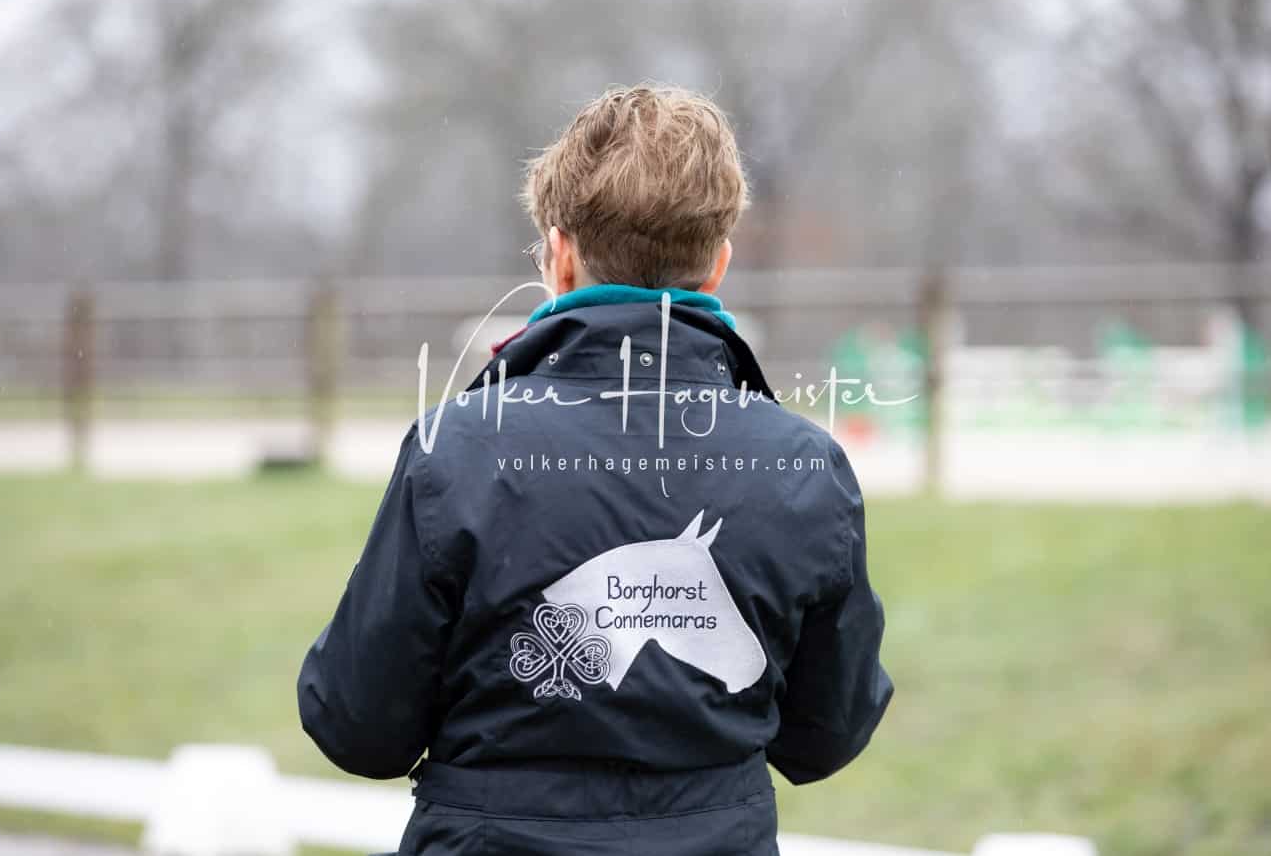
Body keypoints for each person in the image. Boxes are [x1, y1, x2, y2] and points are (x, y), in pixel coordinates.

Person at [298, 84, 893, 856]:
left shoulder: (458, 447)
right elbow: (826, 735)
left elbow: (356, 725)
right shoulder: (804, 466)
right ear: (718, 263)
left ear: (560, 253)